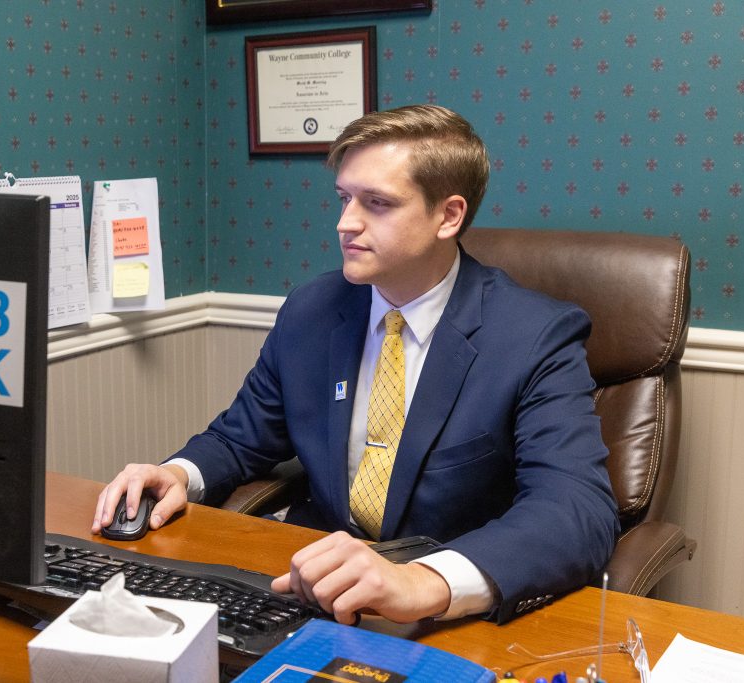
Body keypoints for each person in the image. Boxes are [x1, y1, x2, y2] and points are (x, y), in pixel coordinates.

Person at [92, 104, 619, 626]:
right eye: (344, 198)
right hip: (312, 588)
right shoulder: (313, 310)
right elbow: (242, 437)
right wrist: (176, 473)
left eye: (377, 203)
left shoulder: (533, 336)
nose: (346, 223)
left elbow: (576, 510)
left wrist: (425, 581)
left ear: (449, 215)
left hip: (446, 614)